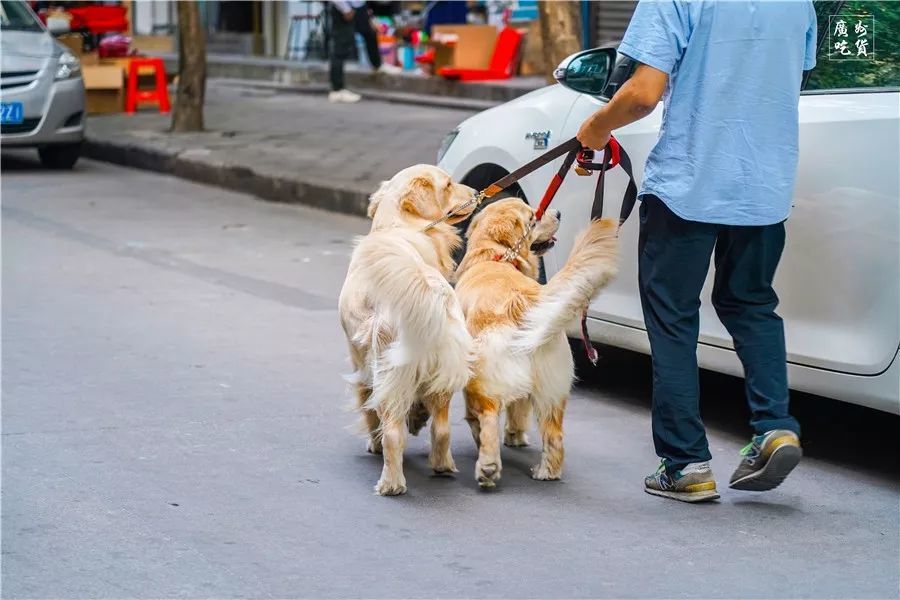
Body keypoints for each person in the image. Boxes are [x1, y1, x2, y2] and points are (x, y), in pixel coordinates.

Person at [577, 0, 817, 503]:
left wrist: (597, 128)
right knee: (751, 304)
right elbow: (782, 83)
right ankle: (776, 426)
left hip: (688, 186)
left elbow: (642, 94)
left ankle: (686, 463)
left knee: (673, 317)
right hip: (764, 190)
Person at [329, 1, 401, 103]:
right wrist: (345, 9)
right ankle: (337, 90)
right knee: (341, 48)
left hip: (358, 6)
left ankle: (377, 65)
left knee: (370, 33)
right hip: (345, 8)